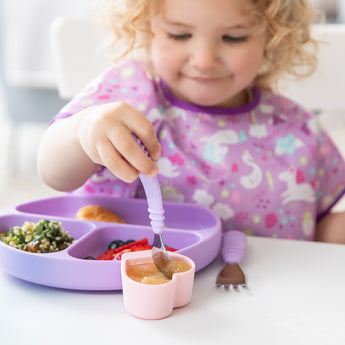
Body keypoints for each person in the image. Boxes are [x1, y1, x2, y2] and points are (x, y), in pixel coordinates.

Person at [37, 0, 345, 244]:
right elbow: (54, 174)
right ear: (146, 27)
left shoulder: (297, 129)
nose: (204, 59)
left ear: (274, 35)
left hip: (265, 311)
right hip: (129, 303)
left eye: (233, 37)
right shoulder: (127, 93)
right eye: (179, 34)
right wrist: (83, 131)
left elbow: (318, 235)